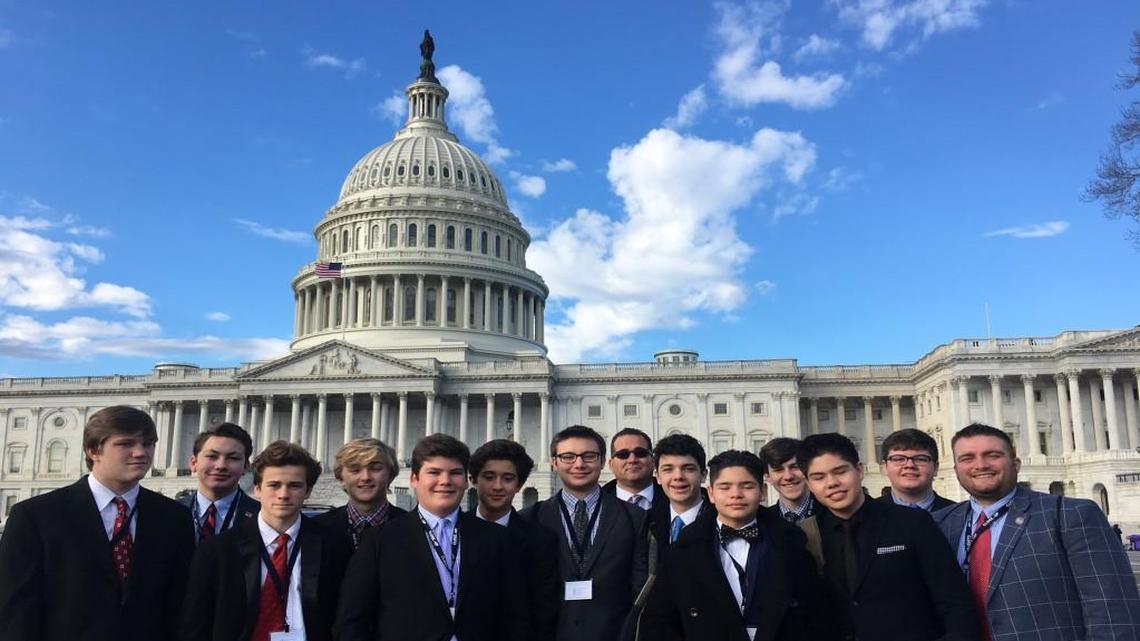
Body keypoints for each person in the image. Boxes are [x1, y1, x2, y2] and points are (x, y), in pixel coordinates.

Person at [0, 405, 194, 641]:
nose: (141, 452)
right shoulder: (35, 516)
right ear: (94, 450)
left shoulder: (174, 517)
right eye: (126, 444)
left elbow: (179, 603)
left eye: (148, 443)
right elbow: (16, 609)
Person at [933, 423, 1140, 641]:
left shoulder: (1071, 514)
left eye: (992, 455)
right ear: (955, 470)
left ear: (1016, 464)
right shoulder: (941, 523)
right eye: (967, 458)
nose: (981, 465)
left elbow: (1112, 608)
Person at [336, 434, 524, 641]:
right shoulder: (380, 540)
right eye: (434, 472)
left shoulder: (496, 538)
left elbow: (515, 616)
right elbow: (353, 619)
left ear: (467, 481)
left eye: (455, 473)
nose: (445, 481)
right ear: (414, 479)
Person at [797, 433, 978, 641]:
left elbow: (953, 601)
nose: (832, 483)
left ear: (859, 470)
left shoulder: (911, 522)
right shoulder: (807, 535)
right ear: (809, 484)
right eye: (819, 477)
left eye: (840, 471)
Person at [641, 449, 831, 641]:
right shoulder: (681, 552)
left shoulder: (792, 547)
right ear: (711, 493)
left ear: (763, 491)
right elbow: (660, 622)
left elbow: (817, 614)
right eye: (725, 487)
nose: (736, 495)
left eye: (747, 486)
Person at [179, 440, 352, 641]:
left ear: (308, 491)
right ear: (257, 489)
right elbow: (196, 621)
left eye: (294, 486)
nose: (283, 495)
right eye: (274, 485)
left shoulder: (333, 544)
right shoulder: (219, 550)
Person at [520, 425, 649, 641]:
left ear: (601, 461)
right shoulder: (530, 519)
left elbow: (638, 588)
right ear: (554, 462)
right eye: (568, 457)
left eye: (588, 456)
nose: (579, 464)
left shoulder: (634, 517)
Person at [469, 439, 560, 641]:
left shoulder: (541, 540)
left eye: (508, 478)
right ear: (473, 480)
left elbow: (543, 613)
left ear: (519, 485)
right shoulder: (453, 532)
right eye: (489, 477)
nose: (497, 486)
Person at [314, 438, 405, 550]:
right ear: (340, 479)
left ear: (391, 475)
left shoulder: (414, 530)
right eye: (355, 470)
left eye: (375, 469)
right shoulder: (316, 530)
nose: (365, 477)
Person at [179, 422, 260, 543]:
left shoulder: (262, 517)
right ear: (193, 463)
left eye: (233, 458)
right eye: (212, 456)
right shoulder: (168, 514)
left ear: (246, 467)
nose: (221, 466)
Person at [602, 428, 671, 552]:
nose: (632, 460)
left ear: (653, 460)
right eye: (623, 454)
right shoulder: (596, 506)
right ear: (611, 464)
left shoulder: (675, 500)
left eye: (640, 453)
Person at [652, 433, 712, 544]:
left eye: (688, 469)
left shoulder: (722, 522)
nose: (678, 476)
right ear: (658, 476)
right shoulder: (648, 524)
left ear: (703, 475)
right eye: (668, 469)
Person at [877, 428, 954, 511]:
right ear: (884, 467)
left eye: (920, 459)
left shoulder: (962, 517)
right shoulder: (867, 515)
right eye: (899, 459)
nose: (910, 465)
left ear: (936, 468)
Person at [759, 437, 816, 523]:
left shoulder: (833, 514)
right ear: (767, 477)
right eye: (778, 470)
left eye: (795, 467)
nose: (788, 476)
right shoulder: (761, 522)